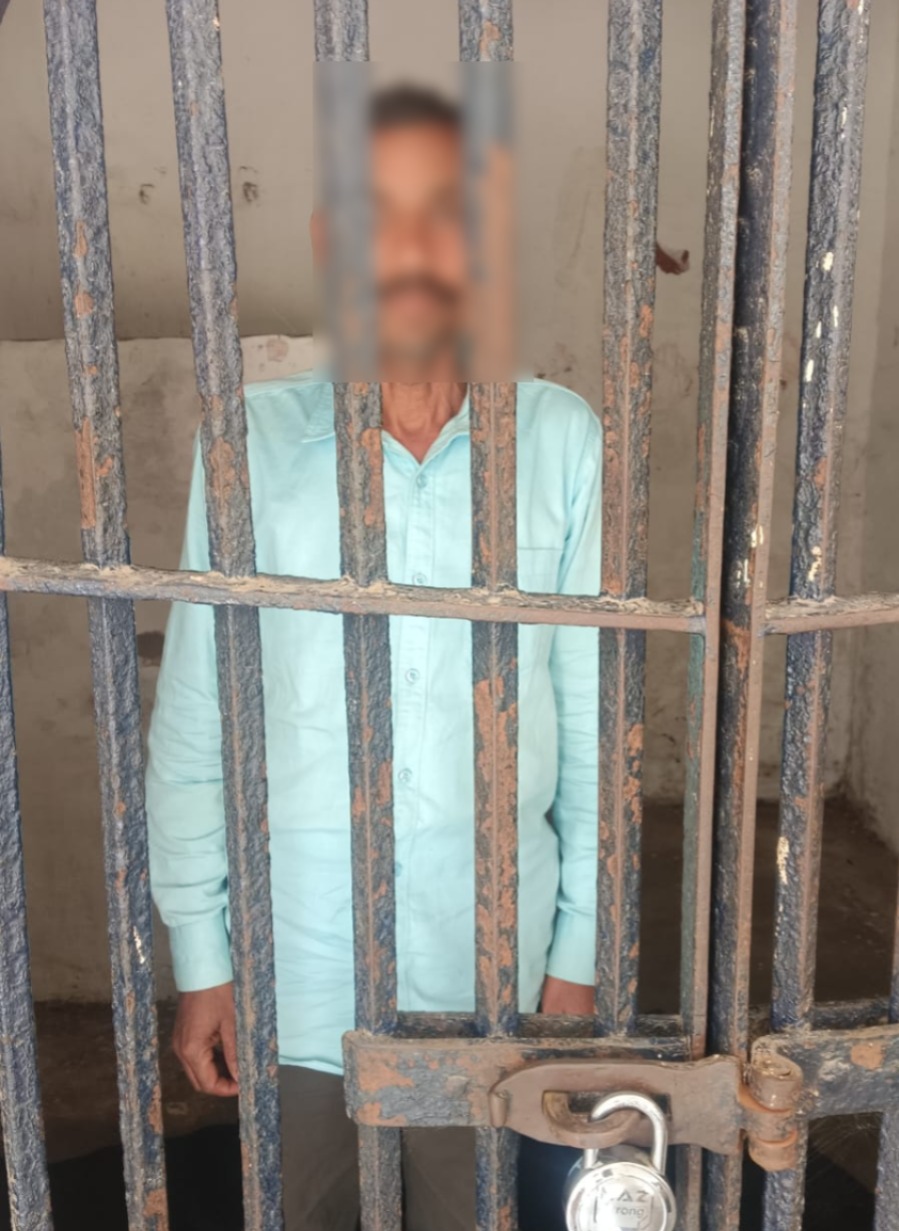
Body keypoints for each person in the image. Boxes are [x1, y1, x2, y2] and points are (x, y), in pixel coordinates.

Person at [146, 83, 600, 1231]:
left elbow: (595, 725)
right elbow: (198, 717)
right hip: (298, 987)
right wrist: (202, 953)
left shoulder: (556, 442)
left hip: (494, 985)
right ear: (326, 241)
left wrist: (577, 957)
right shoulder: (246, 448)